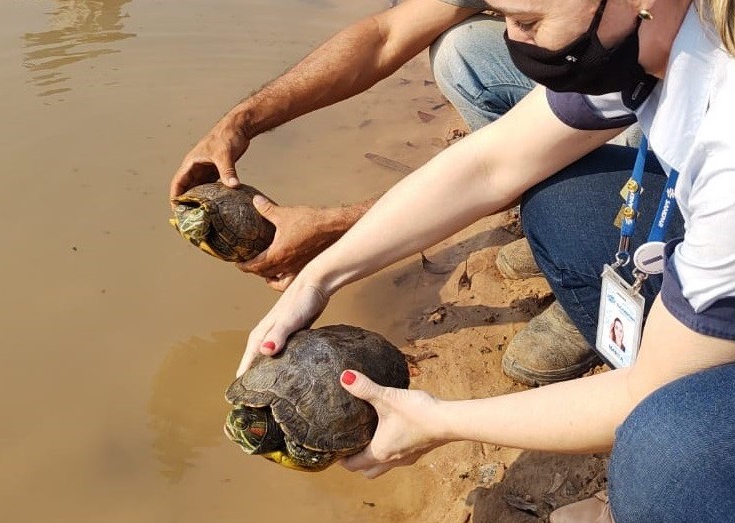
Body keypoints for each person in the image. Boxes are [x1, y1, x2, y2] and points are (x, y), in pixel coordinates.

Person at [240, 0, 735, 519]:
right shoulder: (663, 30)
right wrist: (319, 276)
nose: (515, 41)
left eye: (527, 23)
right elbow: (492, 163)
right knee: (563, 206)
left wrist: (437, 420)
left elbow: (648, 396)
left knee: (676, 455)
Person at [169, 0, 623, 385]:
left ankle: (609, 268)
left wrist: (333, 229)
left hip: (652, 125)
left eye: (525, 21)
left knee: (573, 197)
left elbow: (497, 170)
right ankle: (570, 219)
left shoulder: (667, 69)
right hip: (615, 66)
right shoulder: (604, 54)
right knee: (461, 50)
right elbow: (386, 36)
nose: (511, 35)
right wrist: (241, 121)